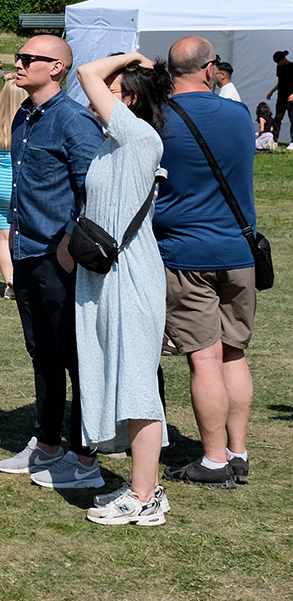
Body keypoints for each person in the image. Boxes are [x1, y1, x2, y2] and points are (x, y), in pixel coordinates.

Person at [0, 35, 104, 483]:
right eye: (18, 57)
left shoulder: (75, 120)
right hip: (25, 252)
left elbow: (94, 190)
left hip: (58, 256)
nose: (16, 64)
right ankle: (47, 443)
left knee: (75, 355)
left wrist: (68, 245)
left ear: (56, 68)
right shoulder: (23, 115)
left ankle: (84, 455)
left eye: (27, 59)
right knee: (41, 351)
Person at [71, 53, 171, 524]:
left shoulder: (137, 135)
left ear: (128, 100)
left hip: (130, 274)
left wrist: (132, 55)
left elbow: (86, 71)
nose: (96, 97)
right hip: (105, 272)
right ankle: (142, 487)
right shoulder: (114, 141)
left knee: (136, 385)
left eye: (110, 94)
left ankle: (145, 496)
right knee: (118, 373)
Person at [154, 37, 257, 489]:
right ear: (210, 68)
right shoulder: (237, 114)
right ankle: (237, 450)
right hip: (238, 249)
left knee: (204, 357)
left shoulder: (158, 119)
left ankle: (214, 459)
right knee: (233, 352)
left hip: (184, 251)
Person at [0, 81, 27, 299]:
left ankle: (9, 283)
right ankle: (22, 279)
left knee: (3, 236)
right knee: (21, 234)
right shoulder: (25, 122)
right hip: (16, 182)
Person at [264, 50, 293, 140]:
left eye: (279, 62)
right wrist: (271, 91)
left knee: (292, 118)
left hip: (291, 97)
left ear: (283, 59)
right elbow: (280, 82)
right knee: (278, 118)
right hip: (281, 96)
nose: (278, 64)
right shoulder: (279, 68)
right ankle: (274, 139)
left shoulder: (292, 67)